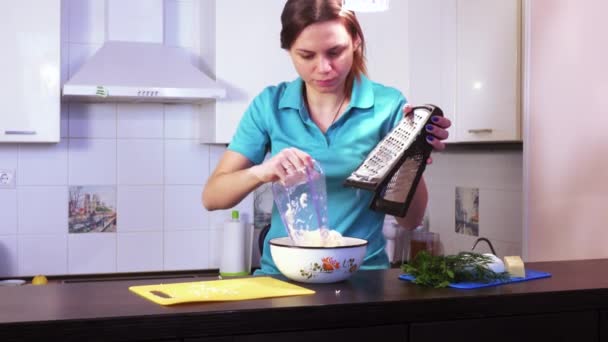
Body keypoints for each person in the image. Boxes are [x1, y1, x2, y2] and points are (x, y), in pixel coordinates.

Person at [203, 0, 451, 275]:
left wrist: (411, 157)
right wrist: (262, 172)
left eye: (335, 52)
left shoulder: (388, 106)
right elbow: (213, 197)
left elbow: (410, 221)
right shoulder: (269, 106)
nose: (323, 68)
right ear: (288, 51)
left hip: (363, 279)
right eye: (307, 55)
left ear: (356, 41)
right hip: (282, 278)